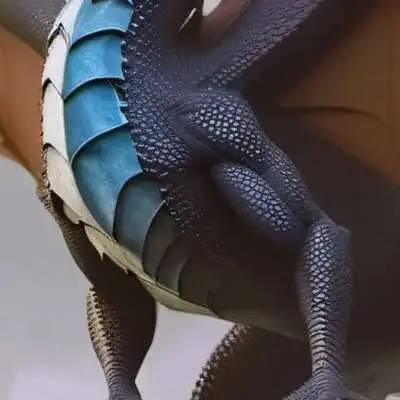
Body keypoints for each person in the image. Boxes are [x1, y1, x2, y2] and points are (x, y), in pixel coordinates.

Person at [1, 1, 400, 399]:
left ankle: (327, 370)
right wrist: (120, 382)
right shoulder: (63, 162)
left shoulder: (200, 112)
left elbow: (319, 234)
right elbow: (112, 289)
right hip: (286, 341)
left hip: (361, 296)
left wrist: (326, 371)